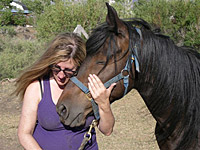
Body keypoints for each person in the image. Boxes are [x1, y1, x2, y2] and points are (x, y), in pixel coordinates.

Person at [14, 32, 116, 150]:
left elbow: (107, 130)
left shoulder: (89, 86)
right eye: (56, 68)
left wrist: (104, 103)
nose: (61, 75)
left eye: (68, 70)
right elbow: (24, 134)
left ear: (79, 66)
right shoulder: (37, 88)